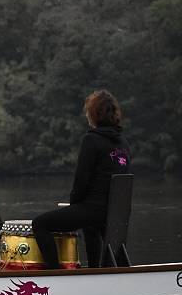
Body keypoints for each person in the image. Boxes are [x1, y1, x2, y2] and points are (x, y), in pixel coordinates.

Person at [32, 89, 131, 269]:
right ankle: (94, 270)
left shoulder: (91, 140)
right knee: (90, 226)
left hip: (94, 209)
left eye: (88, 111)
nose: (87, 115)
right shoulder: (123, 142)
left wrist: (74, 205)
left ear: (95, 114)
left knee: (40, 224)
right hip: (114, 213)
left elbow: (81, 182)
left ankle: (54, 274)